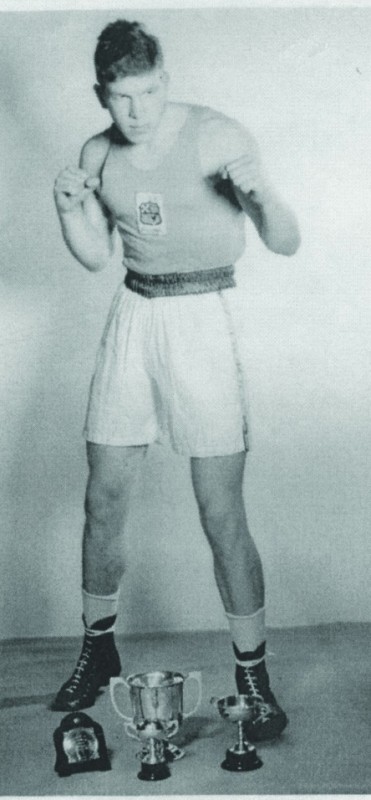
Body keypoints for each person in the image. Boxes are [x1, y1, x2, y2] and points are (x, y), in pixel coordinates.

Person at [51, 19, 300, 743]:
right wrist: (69, 210)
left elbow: (284, 240)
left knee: (219, 510)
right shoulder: (97, 152)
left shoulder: (217, 136)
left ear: (165, 78)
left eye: (150, 91)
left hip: (202, 316)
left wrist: (261, 195)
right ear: (103, 94)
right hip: (134, 314)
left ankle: (252, 672)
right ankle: (99, 648)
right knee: (103, 496)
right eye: (122, 97)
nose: (138, 110)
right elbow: (96, 255)